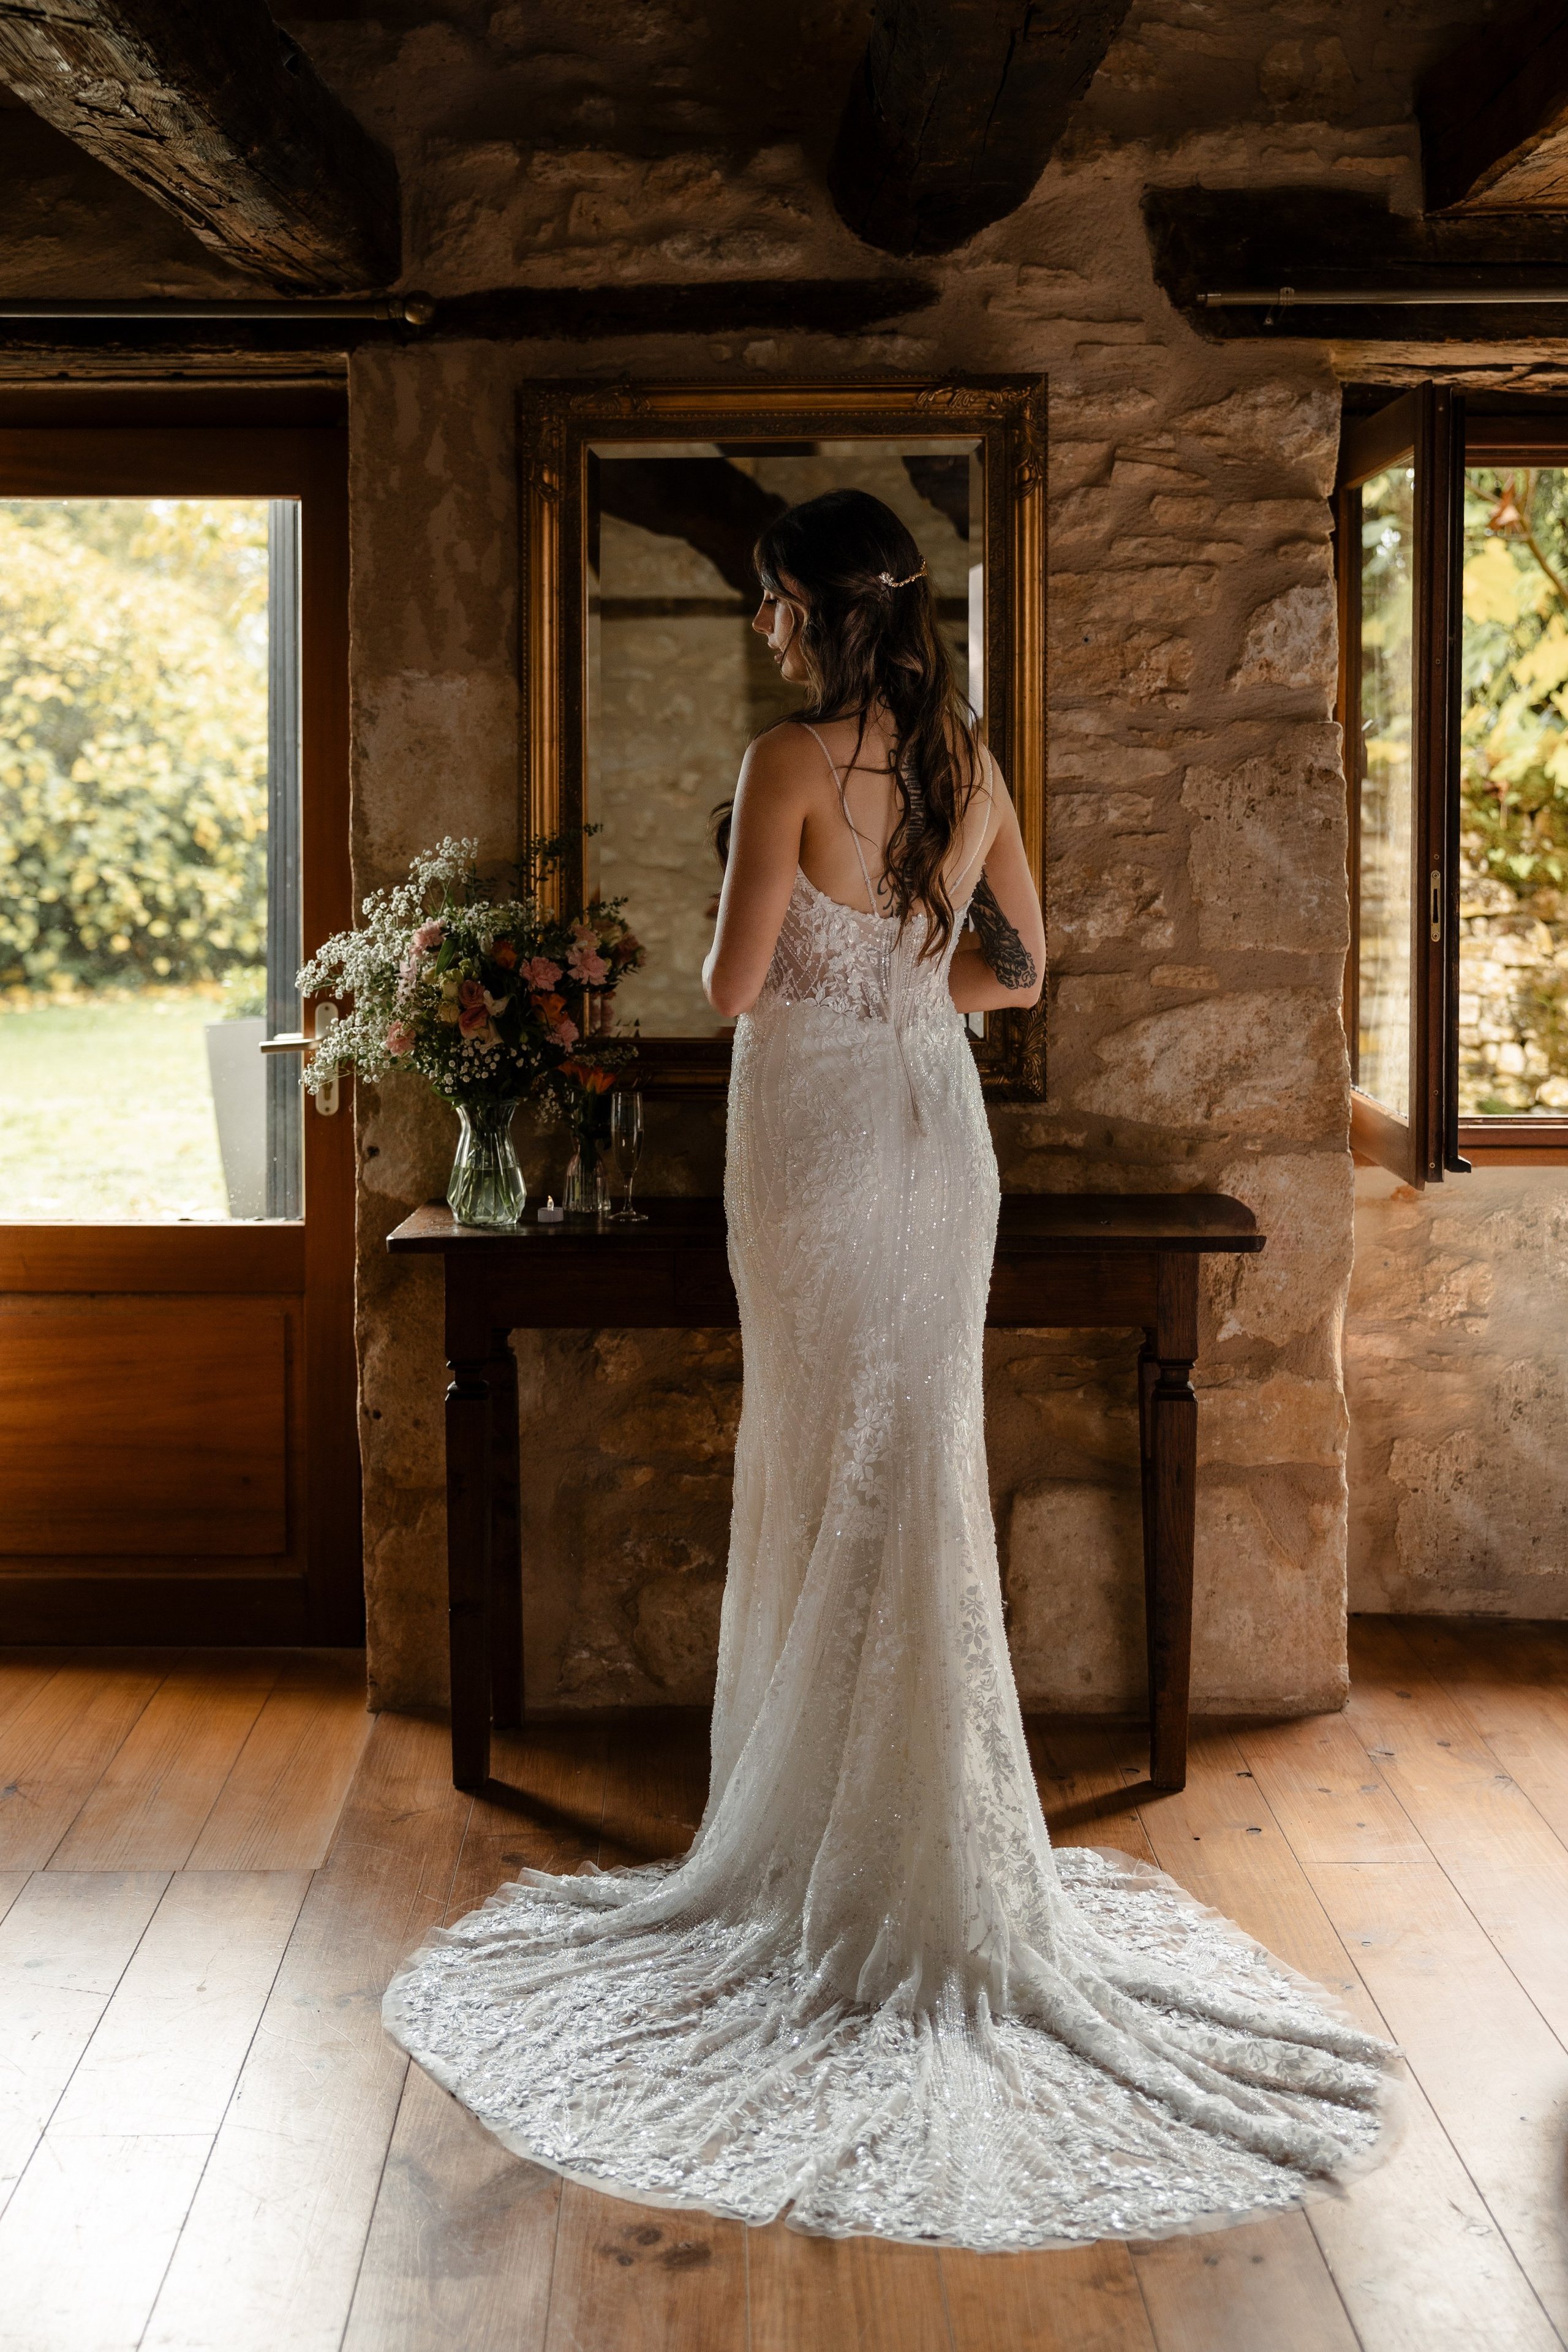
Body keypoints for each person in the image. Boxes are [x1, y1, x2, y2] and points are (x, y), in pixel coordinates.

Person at [385, 488, 1395, 2249]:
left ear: (812, 612)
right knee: (913, 1455)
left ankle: (825, 1843)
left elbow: (731, 981)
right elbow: (1029, 965)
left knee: (821, 1452)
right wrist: (921, 977)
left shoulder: (788, 761)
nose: (764, 625)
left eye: (771, 600)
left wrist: (807, 952)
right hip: (939, 1135)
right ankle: (922, 1850)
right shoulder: (967, 756)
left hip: (821, 1148)